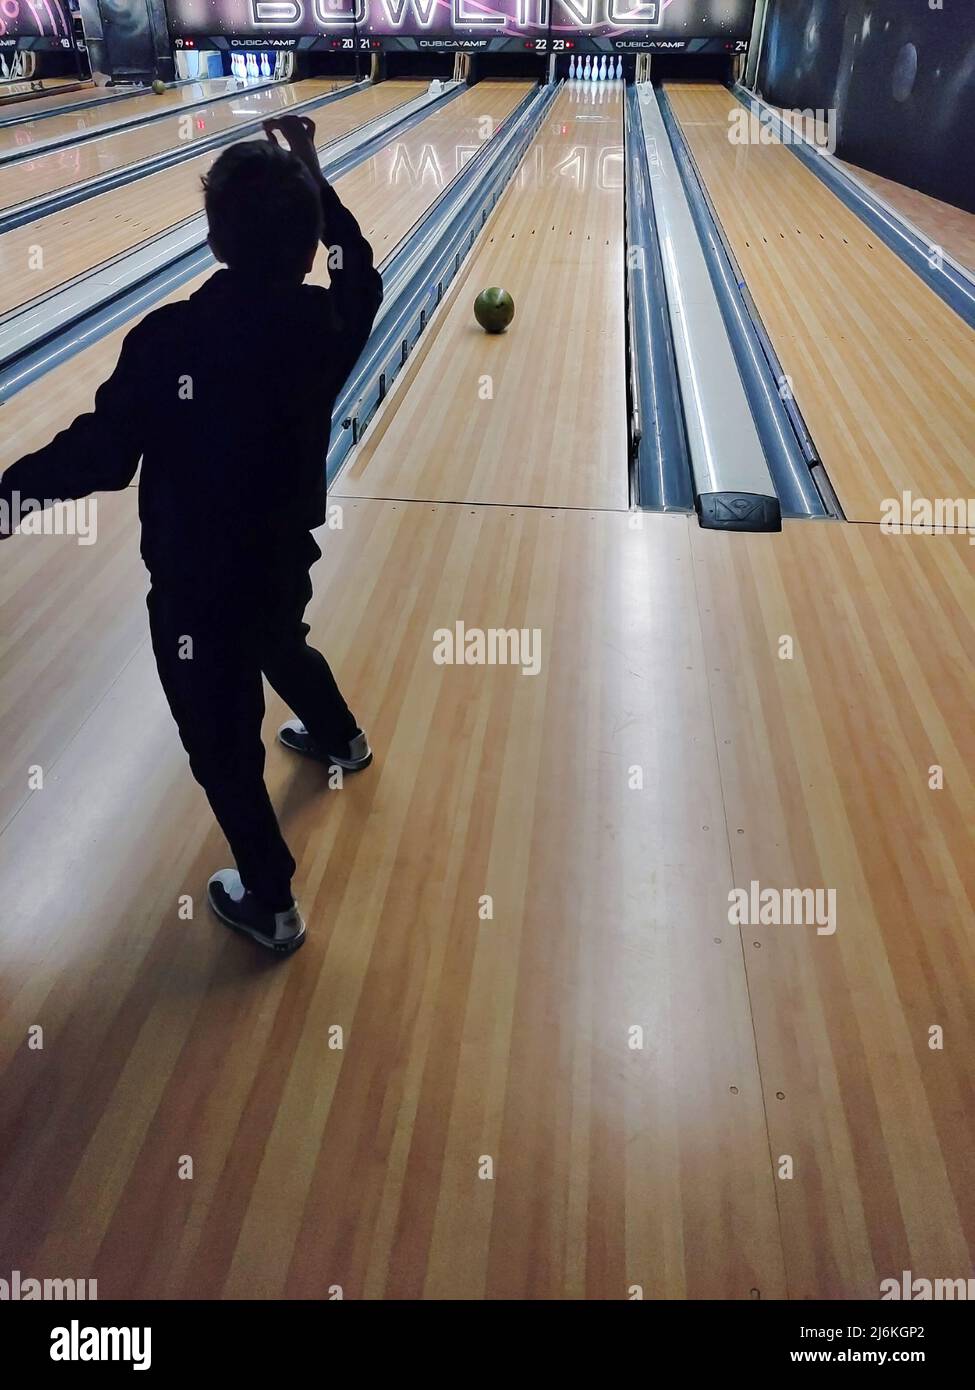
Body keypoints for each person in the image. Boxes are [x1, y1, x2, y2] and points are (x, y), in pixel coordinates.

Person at [0, 116, 384, 956]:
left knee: (221, 744)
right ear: (309, 239)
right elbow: (360, 274)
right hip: (281, 555)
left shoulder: (169, 341)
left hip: (192, 585)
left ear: (213, 239)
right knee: (282, 639)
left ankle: (272, 901)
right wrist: (317, 179)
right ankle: (340, 740)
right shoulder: (324, 326)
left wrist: (8, 496)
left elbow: (100, 458)